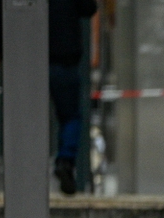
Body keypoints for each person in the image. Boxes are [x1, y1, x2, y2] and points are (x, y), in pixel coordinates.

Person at [49, 0, 99, 194]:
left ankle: (25, 165)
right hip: (64, 57)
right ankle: (65, 160)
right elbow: (88, 7)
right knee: (70, 116)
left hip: (32, 59)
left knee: (29, 118)